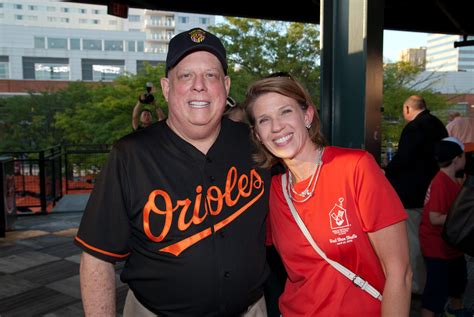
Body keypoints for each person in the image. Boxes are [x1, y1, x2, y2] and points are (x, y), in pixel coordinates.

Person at [75, 27, 271, 316]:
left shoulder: (256, 143)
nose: (199, 85)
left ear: (227, 86)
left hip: (251, 310)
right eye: (186, 75)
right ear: (166, 87)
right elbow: (96, 258)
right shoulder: (130, 155)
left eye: (211, 75)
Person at [243, 74, 412, 316]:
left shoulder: (354, 168)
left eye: (286, 112)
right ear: (258, 135)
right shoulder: (272, 192)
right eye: (264, 120)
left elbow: (400, 272)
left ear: (307, 115)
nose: (277, 126)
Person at [384, 95, 448, 294]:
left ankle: (416, 286)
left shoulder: (413, 128)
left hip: (411, 194)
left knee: (412, 241)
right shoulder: (437, 125)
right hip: (434, 190)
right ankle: (433, 282)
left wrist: (388, 169)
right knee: (431, 238)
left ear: (407, 108)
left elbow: (404, 159)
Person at [419, 137, 470, 317]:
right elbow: (434, 218)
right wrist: (463, 218)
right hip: (437, 247)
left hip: (451, 245)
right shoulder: (440, 182)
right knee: (436, 290)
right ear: (456, 159)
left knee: (458, 281)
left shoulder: (451, 180)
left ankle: (455, 310)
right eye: (464, 156)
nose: (466, 159)